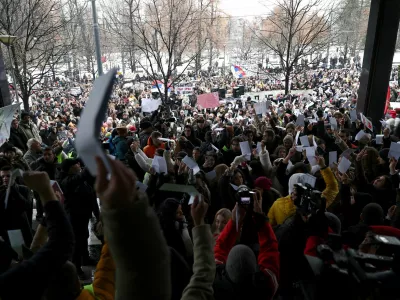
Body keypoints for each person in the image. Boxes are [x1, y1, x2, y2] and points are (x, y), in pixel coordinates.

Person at [0, 171, 74, 300]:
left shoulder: (21, 189)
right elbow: (61, 244)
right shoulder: (12, 282)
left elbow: (26, 205)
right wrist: (46, 193)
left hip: (21, 231)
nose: (5, 179)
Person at [213, 204, 280, 300]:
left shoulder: (216, 282)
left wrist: (235, 220)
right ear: (255, 266)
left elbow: (220, 247)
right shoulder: (266, 287)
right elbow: (270, 251)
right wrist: (260, 220)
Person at [60, 158, 100, 279]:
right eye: (76, 164)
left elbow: (92, 195)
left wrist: (97, 214)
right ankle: (76, 268)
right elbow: (83, 175)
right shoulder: (66, 180)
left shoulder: (81, 178)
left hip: (84, 215)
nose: (79, 166)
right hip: (74, 216)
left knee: (84, 238)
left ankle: (85, 259)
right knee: (76, 243)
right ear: (70, 168)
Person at [0, 166, 33, 246]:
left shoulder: (23, 190)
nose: (5, 178)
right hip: (5, 229)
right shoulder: (1, 191)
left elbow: (26, 206)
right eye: (3, 176)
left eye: (8, 176)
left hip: (19, 227)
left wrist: (13, 189)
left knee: (21, 252)